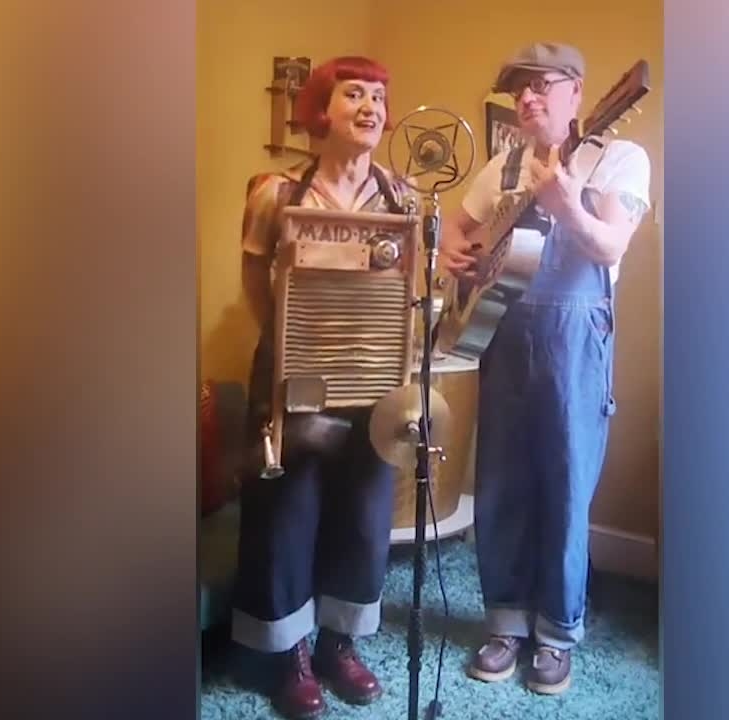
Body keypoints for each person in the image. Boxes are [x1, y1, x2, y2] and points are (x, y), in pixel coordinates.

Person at [439, 42, 652, 695]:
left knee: (565, 481)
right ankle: (504, 621)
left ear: (579, 93)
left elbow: (609, 245)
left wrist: (567, 207)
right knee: (500, 477)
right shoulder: (503, 164)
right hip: (502, 329)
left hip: (574, 336)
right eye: (518, 90)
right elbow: (457, 228)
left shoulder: (618, 157)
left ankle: (557, 632)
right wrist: (456, 256)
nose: (527, 97)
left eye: (541, 85)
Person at [232, 55, 413, 720]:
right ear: (320, 110)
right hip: (296, 372)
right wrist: (286, 348)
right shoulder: (277, 193)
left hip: (373, 376)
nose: (371, 108)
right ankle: (290, 655)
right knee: (288, 513)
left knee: (363, 515)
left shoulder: (402, 197)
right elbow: (254, 281)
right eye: (354, 94)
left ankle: (340, 644)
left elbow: (409, 289)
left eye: (379, 98)